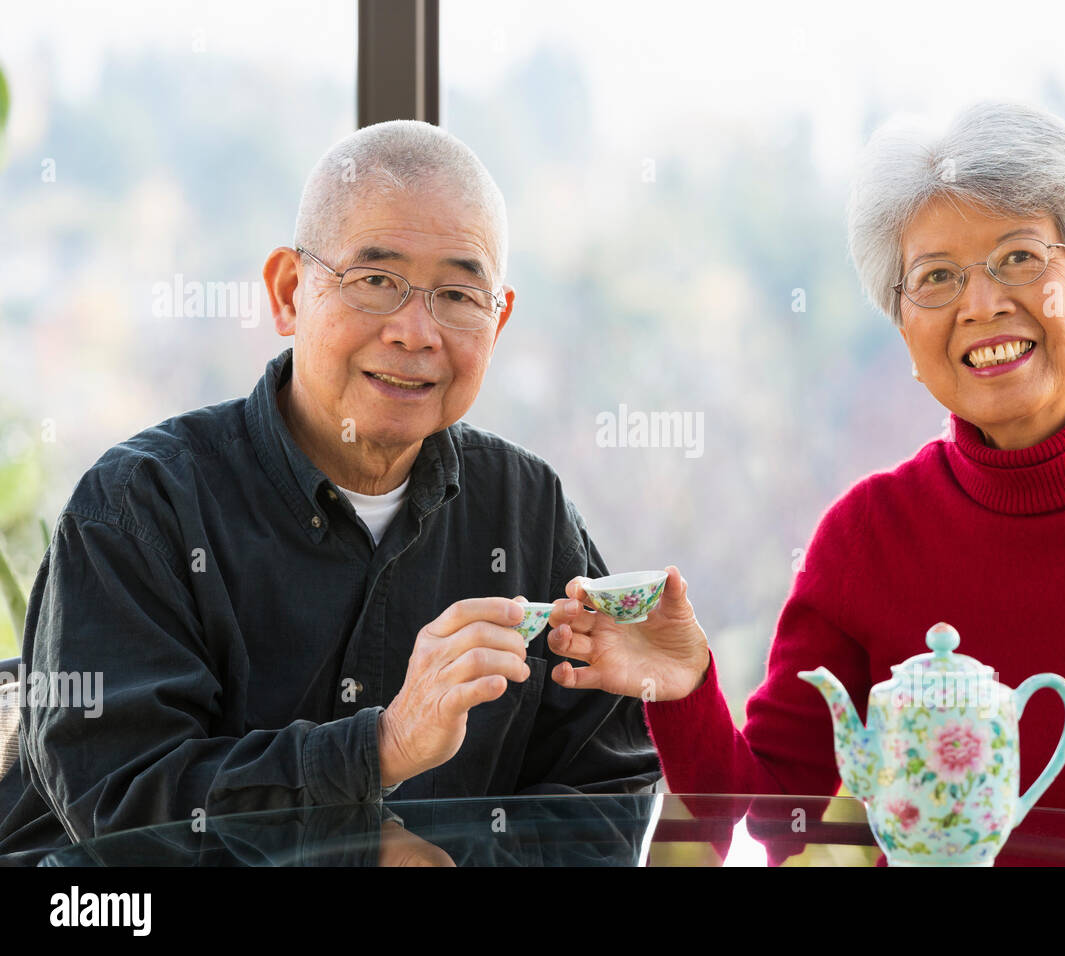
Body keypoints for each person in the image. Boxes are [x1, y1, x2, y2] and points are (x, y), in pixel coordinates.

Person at [543, 101, 1065, 862]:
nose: (981, 304)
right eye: (937, 278)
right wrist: (686, 689)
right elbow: (786, 818)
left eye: (1020, 258)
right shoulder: (863, 535)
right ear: (905, 329)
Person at [0, 121, 660, 864]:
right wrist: (380, 751)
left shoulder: (527, 509)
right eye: (376, 281)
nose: (416, 332)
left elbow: (608, 789)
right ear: (288, 292)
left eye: (457, 294)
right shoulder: (138, 508)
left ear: (498, 319)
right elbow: (124, 814)